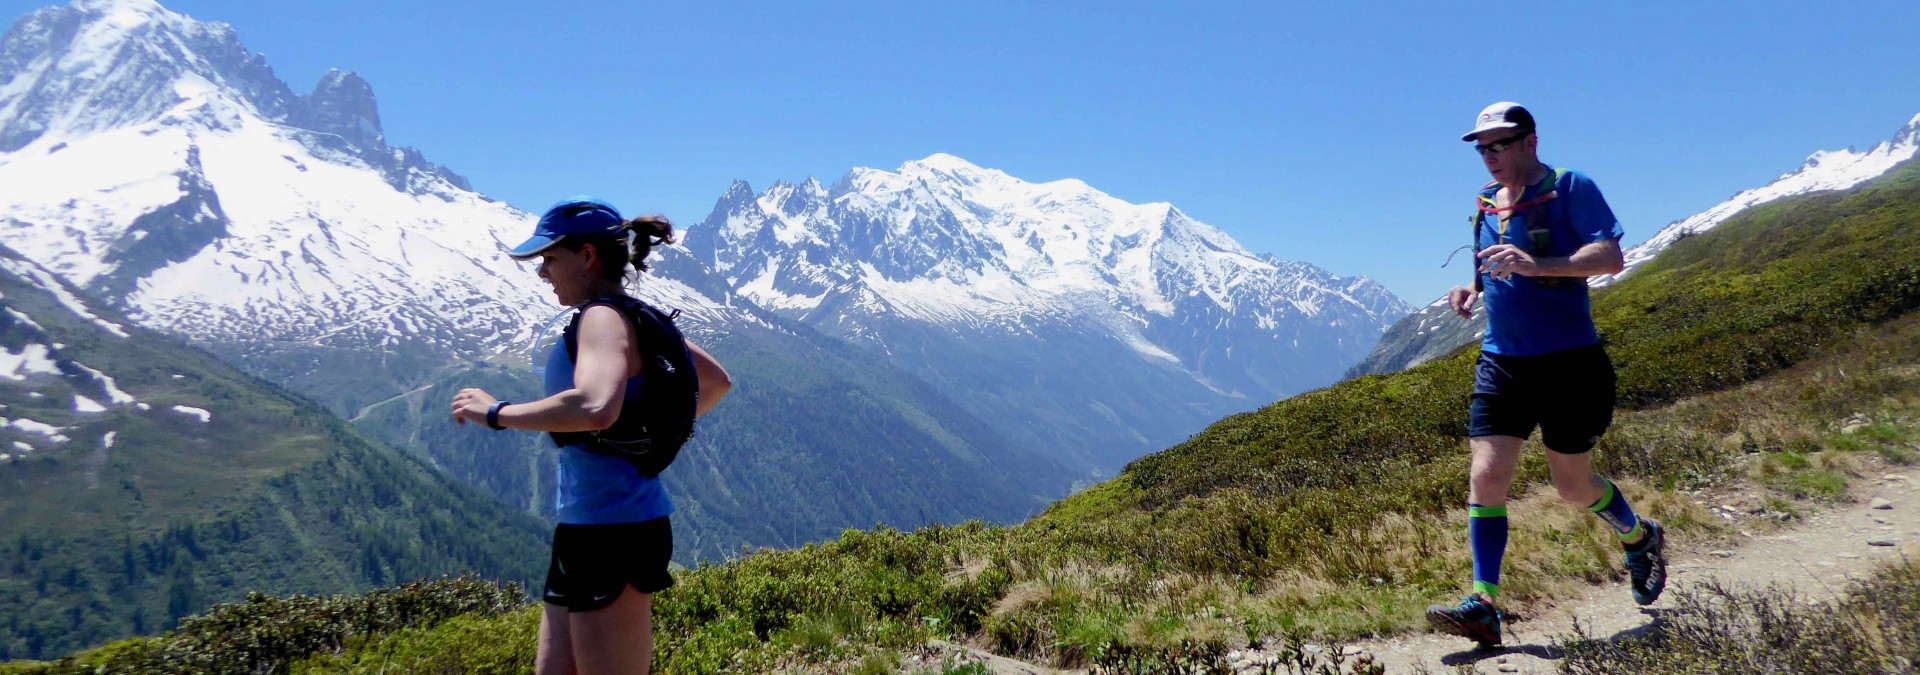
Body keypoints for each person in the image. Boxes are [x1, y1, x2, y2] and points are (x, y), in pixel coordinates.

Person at [451, 197, 733, 675]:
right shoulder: (631, 316)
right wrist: (647, 436)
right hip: (591, 524)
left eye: (549, 259)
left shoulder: (602, 318)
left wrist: (496, 413)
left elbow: (596, 406)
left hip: (613, 529)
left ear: (587, 255)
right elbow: (713, 381)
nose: (543, 273)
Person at [1426, 103, 1666, 649]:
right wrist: (1472, 289)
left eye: (1499, 145)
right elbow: (1495, 267)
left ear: (1530, 142)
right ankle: (1483, 603)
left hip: (1569, 361)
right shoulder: (1486, 204)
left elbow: (1609, 257)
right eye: (1482, 148)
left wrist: (1541, 266)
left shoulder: (1569, 187)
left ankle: (1638, 536)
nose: (1489, 156)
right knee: (1486, 477)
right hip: (1503, 359)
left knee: (1572, 486)